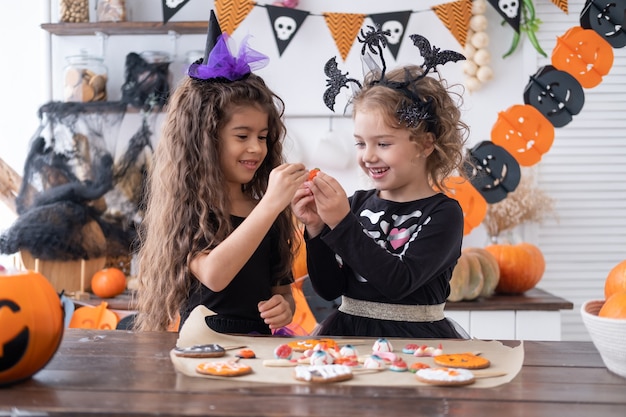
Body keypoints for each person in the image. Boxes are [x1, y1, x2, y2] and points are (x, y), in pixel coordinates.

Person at [292, 29, 470, 338]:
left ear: (425, 144)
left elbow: (398, 282)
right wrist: (317, 229)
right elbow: (329, 288)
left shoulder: (444, 214)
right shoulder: (357, 204)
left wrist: (341, 223)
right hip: (349, 336)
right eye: (361, 143)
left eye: (383, 144)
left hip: (415, 343)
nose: (368, 156)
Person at [134, 20, 308, 334]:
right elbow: (215, 274)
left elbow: (281, 289)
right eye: (242, 136)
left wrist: (284, 306)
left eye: (263, 137)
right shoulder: (192, 210)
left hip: (258, 348)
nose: (256, 148)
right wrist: (269, 205)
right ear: (206, 141)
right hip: (204, 346)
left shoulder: (267, 209)